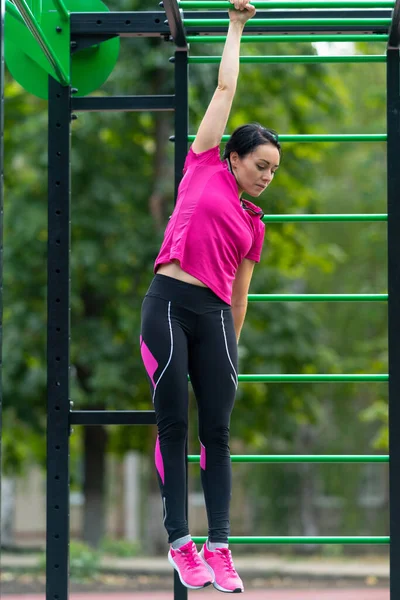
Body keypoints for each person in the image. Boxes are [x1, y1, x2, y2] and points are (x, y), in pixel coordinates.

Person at [140, 0, 281, 593]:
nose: (267, 175)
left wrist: (228, 349)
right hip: (169, 301)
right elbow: (225, 86)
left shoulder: (256, 224)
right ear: (234, 156)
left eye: (274, 170)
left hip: (217, 319)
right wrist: (235, 26)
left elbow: (241, 296)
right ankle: (180, 544)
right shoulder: (203, 166)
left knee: (217, 433)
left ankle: (218, 546)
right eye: (260, 164)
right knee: (173, 421)